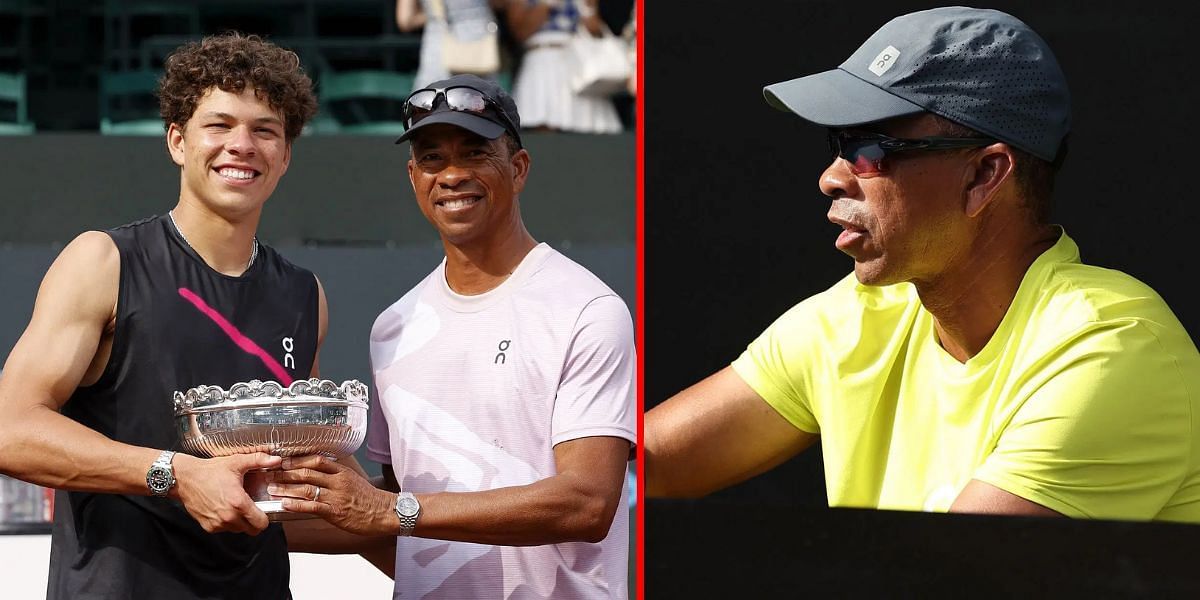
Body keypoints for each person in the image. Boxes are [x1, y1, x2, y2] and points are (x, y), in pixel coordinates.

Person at [645, 6, 1200, 521]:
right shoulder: (859, 314)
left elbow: (947, 581)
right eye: (840, 142)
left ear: (985, 175)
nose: (832, 177)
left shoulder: (1112, 347)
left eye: (870, 147)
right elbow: (641, 467)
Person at [268, 73, 636, 598]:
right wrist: (245, 519)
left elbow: (587, 503)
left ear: (519, 168)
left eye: (474, 153)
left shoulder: (586, 309)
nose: (452, 174)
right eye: (433, 157)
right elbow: (395, 530)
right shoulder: (393, 327)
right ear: (413, 175)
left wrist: (389, 510)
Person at [0, 33, 331, 598]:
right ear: (178, 141)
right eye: (219, 125)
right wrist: (176, 475)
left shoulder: (305, 294)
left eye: (264, 130)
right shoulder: (103, 261)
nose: (241, 144)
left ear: (285, 155)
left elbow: (285, 486)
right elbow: (10, 429)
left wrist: (384, 517)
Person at [506, 0, 623, 133]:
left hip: (577, 63)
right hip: (541, 62)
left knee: (585, 126)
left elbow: (595, 29)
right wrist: (547, 4)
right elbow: (520, 33)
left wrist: (586, 11)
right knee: (542, 125)